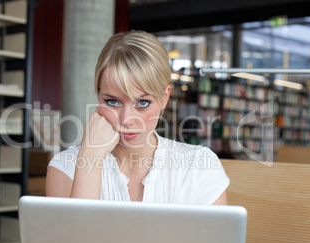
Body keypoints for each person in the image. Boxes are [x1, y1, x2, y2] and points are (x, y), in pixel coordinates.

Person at [46, 30, 229, 205]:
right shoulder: (65, 167)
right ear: (98, 95)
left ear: (164, 98)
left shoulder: (199, 166)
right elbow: (76, 237)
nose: (126, 119)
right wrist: (90, 158)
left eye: (142, 103)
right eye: (112, 102)